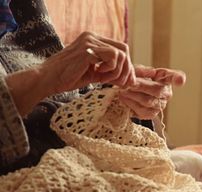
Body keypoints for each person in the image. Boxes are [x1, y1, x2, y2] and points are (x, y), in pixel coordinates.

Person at [0, 0, 186, 175]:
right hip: (39, 176)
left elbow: (60, 90)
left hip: (87, 159)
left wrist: (115, 93)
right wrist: (45, 75)